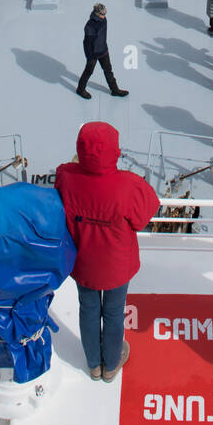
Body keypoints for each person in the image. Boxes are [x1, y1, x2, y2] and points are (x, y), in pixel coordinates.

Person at [55, 122, 160, 381]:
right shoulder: (129, 185)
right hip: (116, 266)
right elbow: (145, 215)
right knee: (113, 312)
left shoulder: (66, 176)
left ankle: (93, 364)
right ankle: (111, 364)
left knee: (88, 309)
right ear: (115, 151)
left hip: (83, 263)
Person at [77, 3, 128, 99]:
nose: (104, 16)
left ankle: (114, 90)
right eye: (102, 14)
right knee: (88, 72)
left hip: (103, 50)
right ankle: (80, 89)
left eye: (105, 13)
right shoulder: (90, 26)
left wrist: (104, 47)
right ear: (97, 13)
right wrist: (90, 56)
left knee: (108, 70)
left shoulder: (104, 20)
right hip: (93, 54)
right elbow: (87, 43)